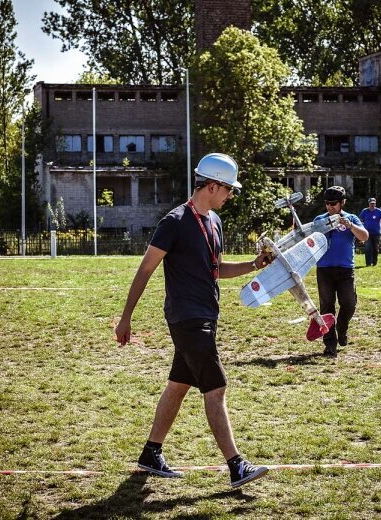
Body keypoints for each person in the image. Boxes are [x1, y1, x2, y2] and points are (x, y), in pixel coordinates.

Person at [114, 153, 274, 488]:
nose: (230, 195)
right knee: (216, 389)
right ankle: (236, 465)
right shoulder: (174, 222)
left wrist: (253, 265)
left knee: (179, 385)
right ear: (212, 185)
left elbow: (215, 271)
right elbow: (145, 270)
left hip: (205, 316)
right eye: (228, 189)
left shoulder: (214, 222)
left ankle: (150, 453)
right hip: (187, 320)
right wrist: (125, 317)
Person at [314, 186, 369, 357]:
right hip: (324, 269)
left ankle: (342, 327)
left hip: (345, 269)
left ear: (342, 203)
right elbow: (310, 239)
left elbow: (364, 236)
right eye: (327, 203)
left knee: (349, 303)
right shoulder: (319, 220)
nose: (330, 207)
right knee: (327, 306)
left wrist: (350, 226)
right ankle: (330, 344)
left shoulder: (351, 218)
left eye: (334, 203)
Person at [358, 197, 381, 266]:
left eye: (374, 203)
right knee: (368, 248)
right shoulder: (364, 211)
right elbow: (359, 219)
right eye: (371, 203)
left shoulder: (378, 211)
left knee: (375, 249)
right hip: (367, 233)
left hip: (376, 233)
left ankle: (374, 263)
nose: (372, 205)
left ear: (375, 204)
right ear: (368, 204)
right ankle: (368, 263)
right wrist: (361, 226)